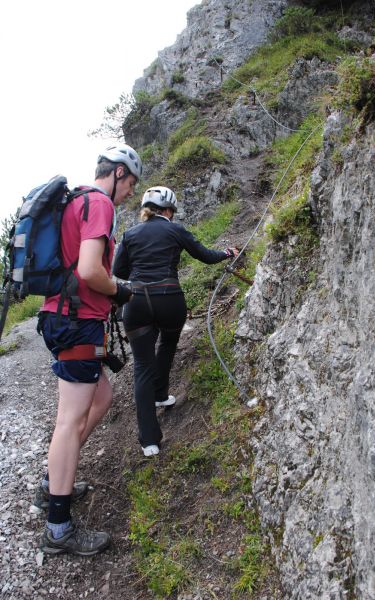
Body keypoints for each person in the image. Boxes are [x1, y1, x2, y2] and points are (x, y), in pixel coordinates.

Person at [35, 143, 142, 556]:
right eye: (130, 182)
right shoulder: (99, 204)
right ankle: (58, 525)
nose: (131, 191)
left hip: (63, 317)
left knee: (102, 396)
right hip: (77, 323)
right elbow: (90, 270)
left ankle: (53, 481)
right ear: (117, 174)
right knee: (70, 419)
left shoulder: (74, 200)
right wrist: (122, 291)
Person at [112, 186, 239, 457]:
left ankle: (149, 441)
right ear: (168, 210)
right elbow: (204, 255)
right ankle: (161, 393)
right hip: (169, 297)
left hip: (136, 301)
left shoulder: (130, 234)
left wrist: (138, 270)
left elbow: (117, 270)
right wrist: (228, 253)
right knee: (168, 343)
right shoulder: (174, 229)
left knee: (142, 367)